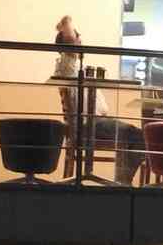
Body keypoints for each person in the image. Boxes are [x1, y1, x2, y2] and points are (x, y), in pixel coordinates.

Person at [54, 16, 144, 184]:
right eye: (78, 37)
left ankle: (122, 180)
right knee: (137, 136)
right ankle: (123, 182)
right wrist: (65, 23)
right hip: (89, 125)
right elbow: (70, 37)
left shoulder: (73, 67)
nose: (80, 39)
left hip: (94, 123)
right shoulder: (67, 64)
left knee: (134, 136)